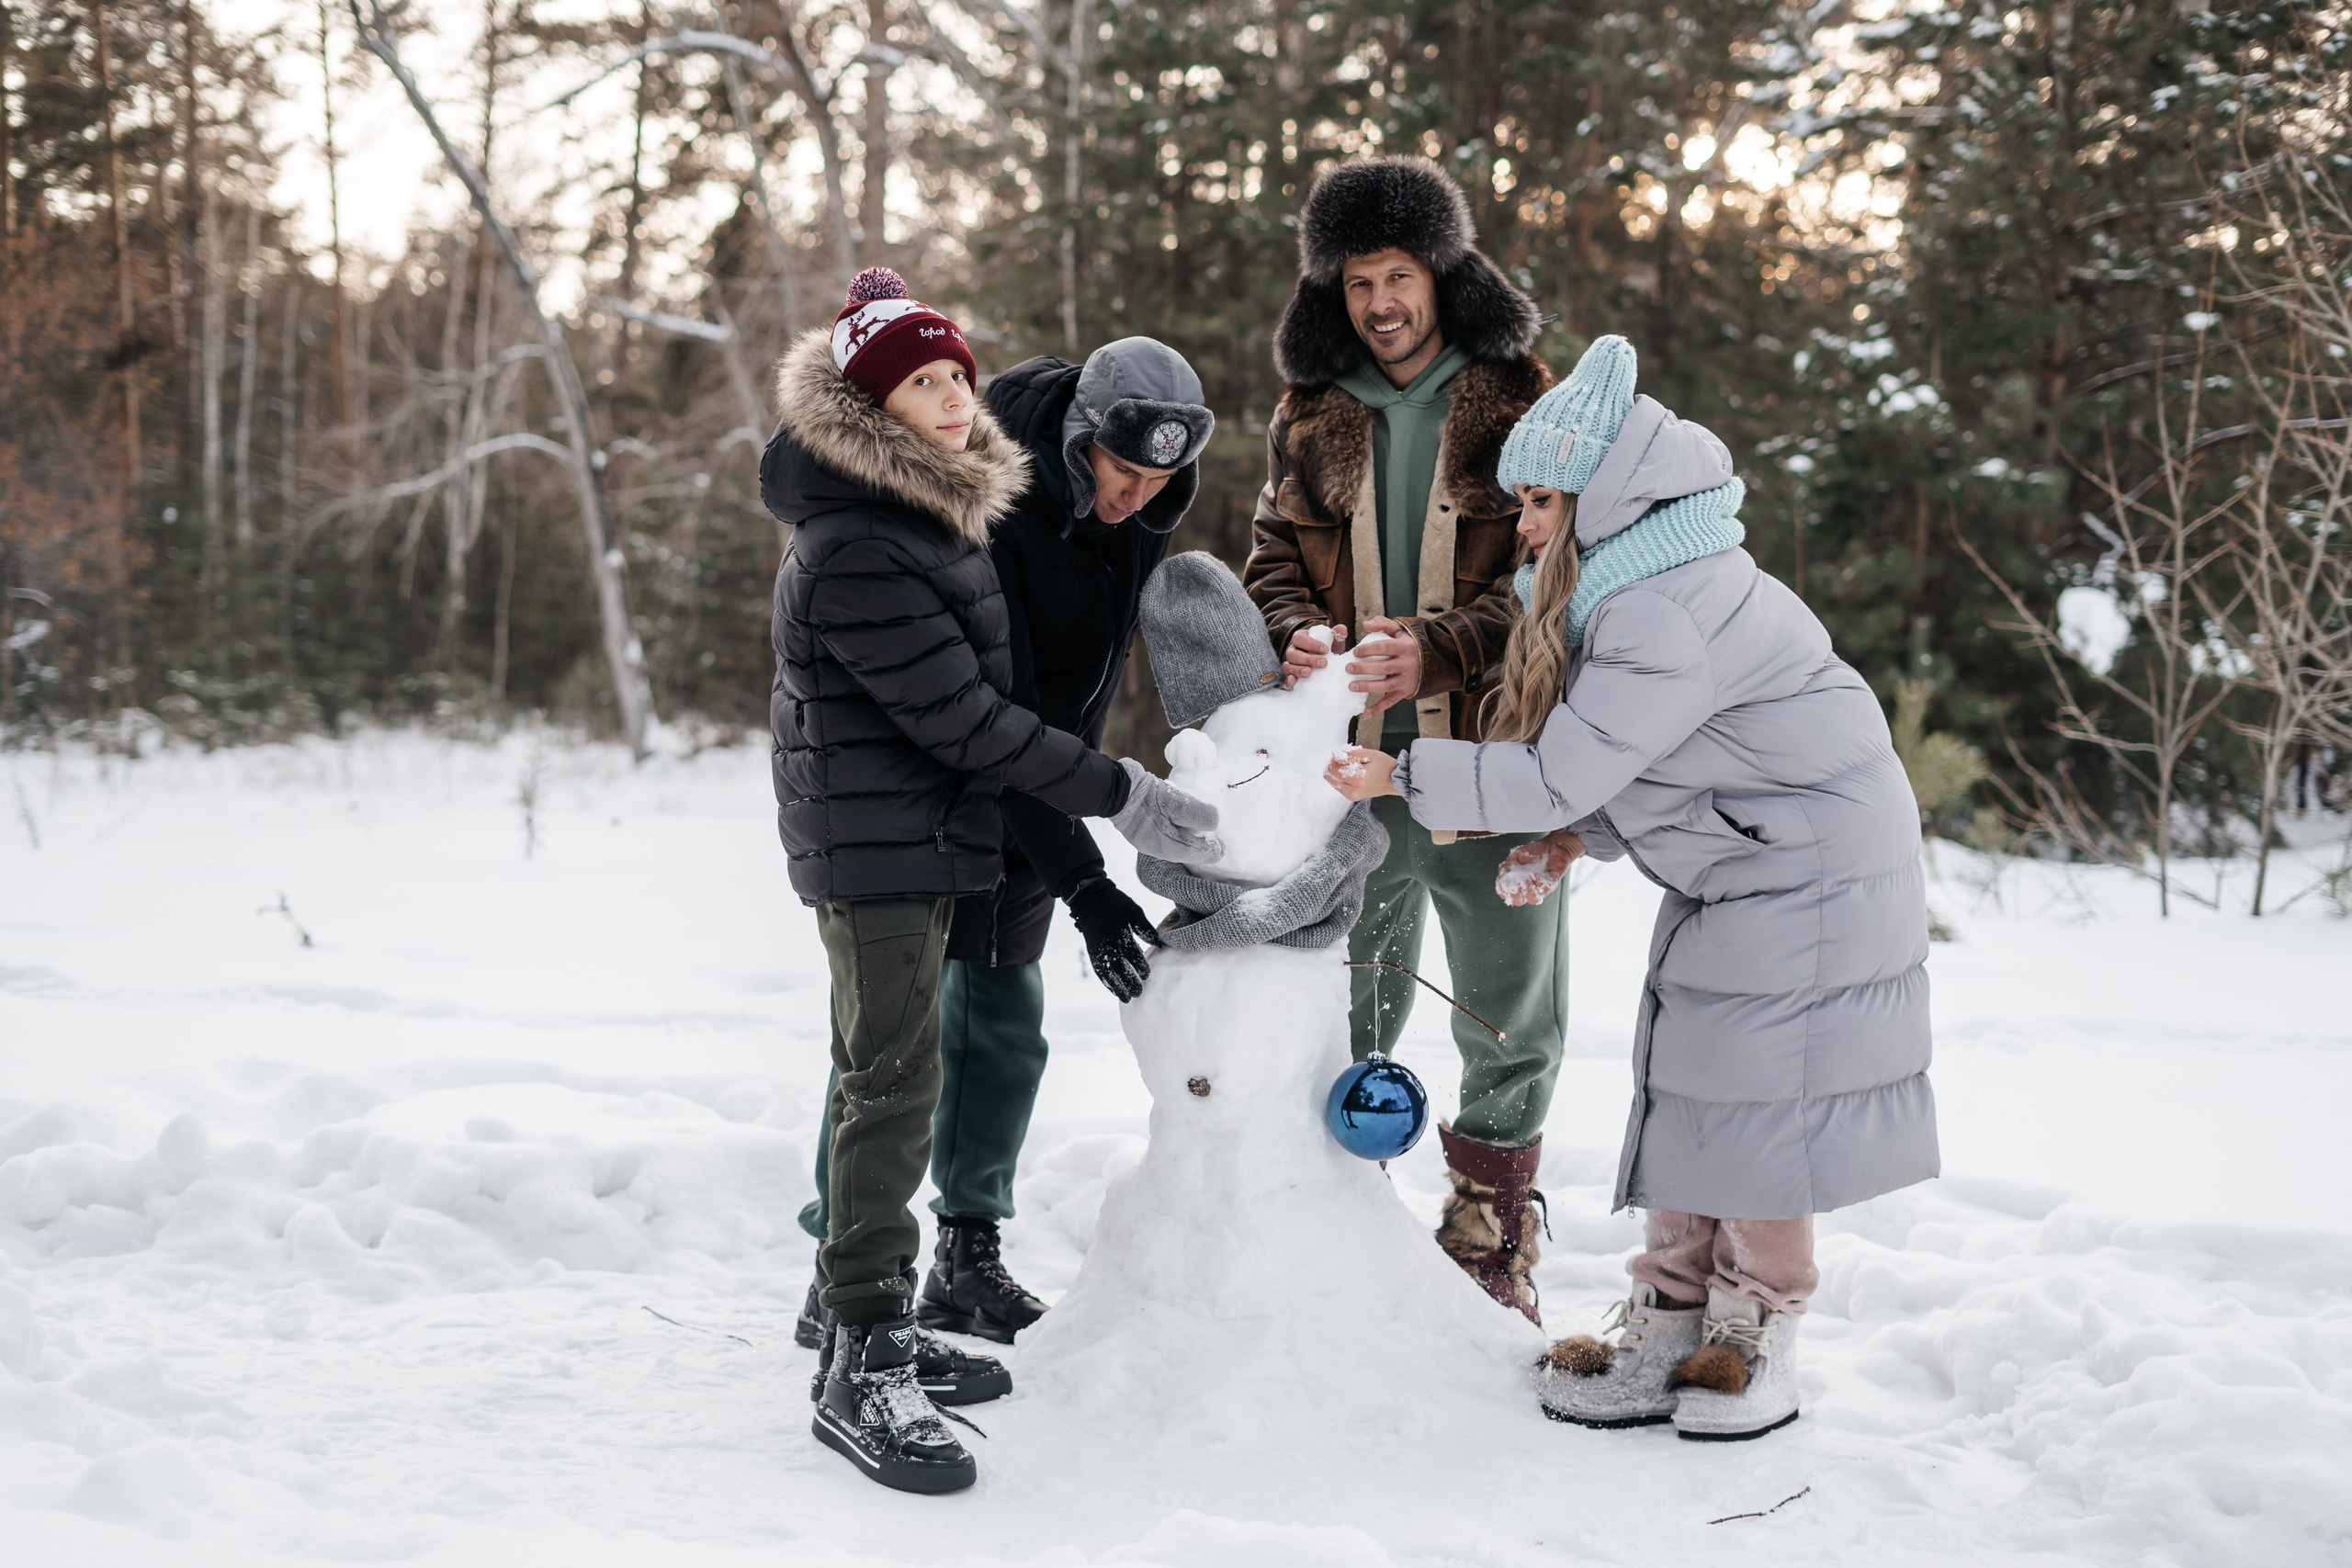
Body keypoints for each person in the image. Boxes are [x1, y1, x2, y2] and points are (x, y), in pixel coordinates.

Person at [1327, 334, 1938, 1443]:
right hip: (1748, 853)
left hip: (1804, 868)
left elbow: (1569, 762)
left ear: (1606, 496)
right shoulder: (1639, 585)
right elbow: (1658, 759)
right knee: (1689, 1074)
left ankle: (1754, 1333)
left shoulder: (1658, 604)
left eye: (1541, 501)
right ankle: (1667, 1316)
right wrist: (1572, 842)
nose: (1525, 526)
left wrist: (1401, 769)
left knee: (1753, 1097)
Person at [762, 268, 1220, 1493]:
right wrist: (1095, 847)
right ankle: (851, 1301)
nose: (1137, 499)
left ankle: (955, 1252)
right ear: (1076, 442)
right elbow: (972, 711)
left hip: (1011, 782)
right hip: (958, 790)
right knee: (896, 1051)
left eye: (1160, 482)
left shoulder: (1019, 497)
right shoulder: (965, 512)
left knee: (991, 1032)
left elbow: (1040, 695)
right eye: (1121, 475)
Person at [1243, 154, 1564, 1323]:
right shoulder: (1308, 413)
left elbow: (1558, 578)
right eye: (1356, 280)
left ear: (1443, 271)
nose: (1380, 302)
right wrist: (1290, 634)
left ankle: (1490, 1238)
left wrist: (1444, 649)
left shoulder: (1524, 401)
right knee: (1343, 1004)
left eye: (1399, 274)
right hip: (1350, 779)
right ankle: (1336, 1221)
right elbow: (1273, 557)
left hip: (1494, 763)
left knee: (1506, 1011)